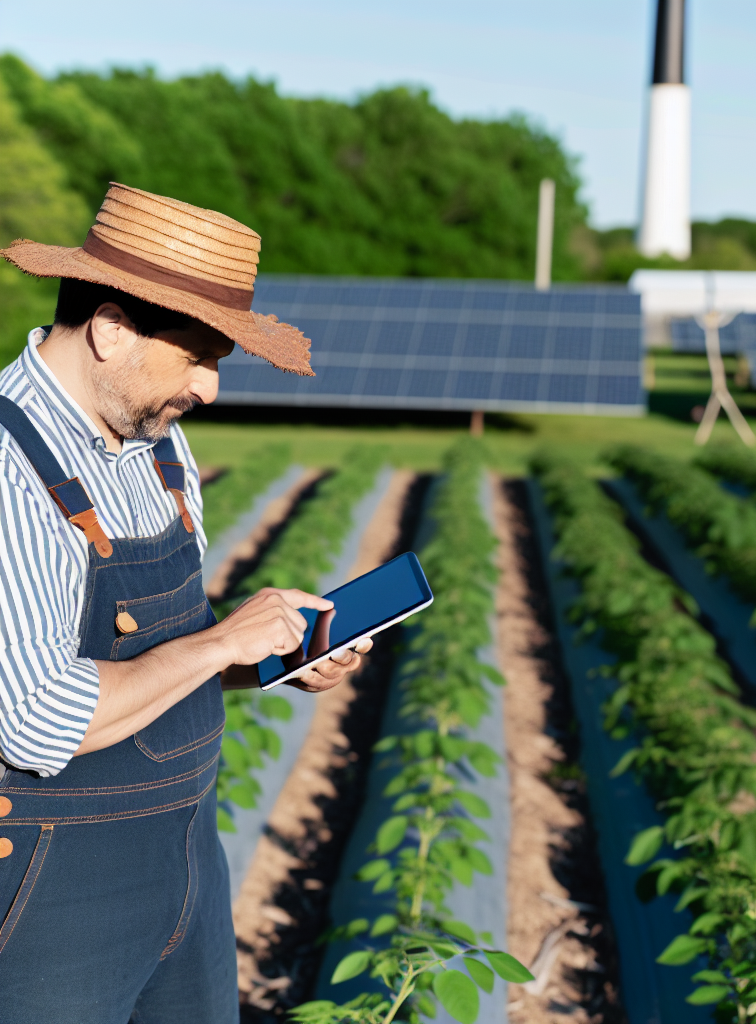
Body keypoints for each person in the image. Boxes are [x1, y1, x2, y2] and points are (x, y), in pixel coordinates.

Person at [0, 183, 371, 1023]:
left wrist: (273, 656)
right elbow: (34, 718)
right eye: (197, 355)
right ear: (110, 328)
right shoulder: (8, 467)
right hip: (53, 890)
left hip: (187, 865)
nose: (208, 388)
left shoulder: (155, 449)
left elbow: (156, 666)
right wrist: (216, 644)